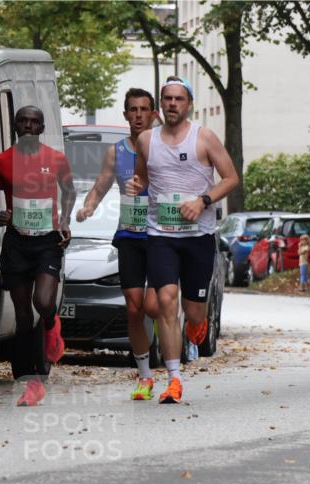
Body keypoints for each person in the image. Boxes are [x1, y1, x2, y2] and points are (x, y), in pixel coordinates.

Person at [125, 76, 239, 404]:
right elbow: (145, 175)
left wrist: (202, 201)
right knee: (165, 301)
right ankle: (174, 379)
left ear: (189, 104)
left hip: (198, 237)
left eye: (179, 99)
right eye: (167, 98)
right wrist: (138, 184)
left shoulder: (204, 138)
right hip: (160, 235)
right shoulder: (146, 140)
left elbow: (231, 178)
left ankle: (196, 326)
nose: (172, 104)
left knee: (194, 313)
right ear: (161, 104)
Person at [0, 106, 76, 407]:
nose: (28, 126)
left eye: (34, 122)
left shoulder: (56, 159)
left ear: (42, 127)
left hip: (48, 241)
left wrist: (64, 220)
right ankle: (29, 382)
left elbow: (69, 192)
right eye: (23, 121)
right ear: (16, 127)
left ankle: (50, 325)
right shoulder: (2, 162)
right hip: (17, 243)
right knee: (22, 317)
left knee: (43, 302)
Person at [75, 88, 161, 400]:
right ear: (125, 114)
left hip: (159, 236)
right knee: (134, 308)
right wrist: (88, 207)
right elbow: (99, 187)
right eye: (133, 110)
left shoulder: (164, 148)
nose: (138, 115)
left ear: (153, 114)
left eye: (144, 110)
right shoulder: (116, 151)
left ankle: (170, 345)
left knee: (153, 305)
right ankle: (145, 376)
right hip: (128, 236)